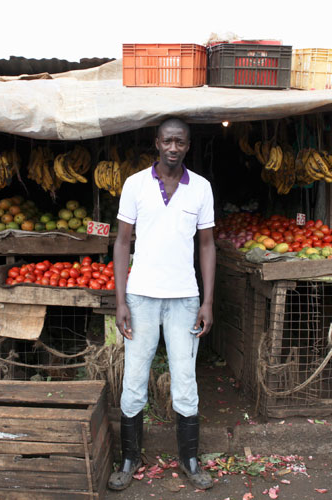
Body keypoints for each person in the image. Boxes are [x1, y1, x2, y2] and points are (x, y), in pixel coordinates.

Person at [108, 117, 216, 491]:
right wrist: (121, 299)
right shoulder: (135, 185)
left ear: (188, 146)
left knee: (185, 381)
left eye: (181, 142)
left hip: (185, 299)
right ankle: (129, 457)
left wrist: (207, 301)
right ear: (157, 142)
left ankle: (188, 459)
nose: (174, 148)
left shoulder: (201, 188)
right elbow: (122, 243)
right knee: (134, 378)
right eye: (168, 141)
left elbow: (206, 245)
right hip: (140, 297)